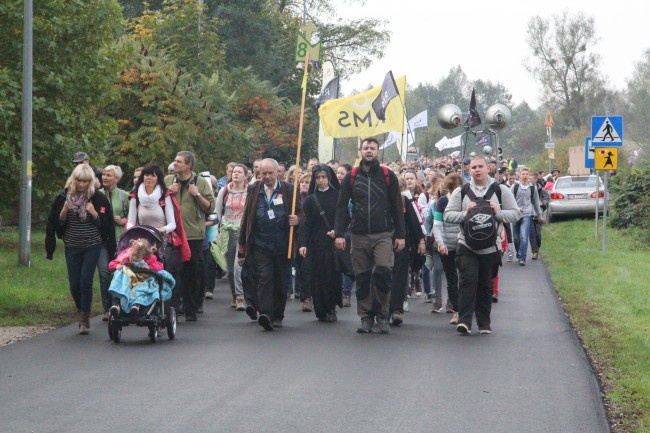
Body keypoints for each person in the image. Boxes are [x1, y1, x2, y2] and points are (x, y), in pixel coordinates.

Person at [335, 137, 405, 334]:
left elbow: (397, 206)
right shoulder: (352, 176)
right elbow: (341, 207)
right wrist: (339, 234)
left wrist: (401, 235)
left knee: (383, 272)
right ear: (361, 151)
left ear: (378, 151)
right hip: (358, 234)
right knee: (363, 276)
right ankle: (366, 316)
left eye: (372, 148)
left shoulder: (387, 175)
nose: (369, 151)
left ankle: (383, 314)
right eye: (366, 148)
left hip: (383, 233)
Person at [444, 156, 519, 335]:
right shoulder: (460, 192)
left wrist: (497, 211)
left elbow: (515, 214)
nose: (477, 170)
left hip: (490, 247)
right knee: (467, 280)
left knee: (485, 285)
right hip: (466, 245)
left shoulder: (500, 190)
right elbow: (448, 215)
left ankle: (484, 323)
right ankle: (465, 321)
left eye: (480, 166)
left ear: (488, 168)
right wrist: (465, 213)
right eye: (473, 167)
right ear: (469, 171)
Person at [45, 164, 116, 335]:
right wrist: (63, 212)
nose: (82, 184)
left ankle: (84, 319)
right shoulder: (63, 197)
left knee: (86, 280)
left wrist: (94, 214)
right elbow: (57, 227)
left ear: (90, 181)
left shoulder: (97, 198)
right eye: (79, 180)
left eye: (85, 181)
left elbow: (106, 228)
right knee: (74, 284)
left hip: (92, 245)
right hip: (72, 246)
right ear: (73, 179)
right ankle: (81, 308)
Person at [238, 158, 302, 331]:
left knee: (281, 281)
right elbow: (247, 217)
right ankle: (265, 313)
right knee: (265, 278)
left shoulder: (290, 190)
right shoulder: (254, 189)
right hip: (260, 244)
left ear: (277, 173)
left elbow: (302, 214)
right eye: (263, 173)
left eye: (270, 173)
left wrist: (298, 220)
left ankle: (278, 315)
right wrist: (242, 244)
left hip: (283, 244)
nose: (266, 176)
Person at [126, 164, 189, 313]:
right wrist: (132, 231)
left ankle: (167, 306)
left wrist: (161, 230)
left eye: (152, 175)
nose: (149, 178)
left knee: (163, 268)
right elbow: (131, 220)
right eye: (147, 175)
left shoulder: (164, 196)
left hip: (162, 238)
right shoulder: (136, 196)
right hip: (142, 238)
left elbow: (172, 223)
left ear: (157, 178)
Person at [165, 151, 215, 321]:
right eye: (175, 160)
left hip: (193, 235)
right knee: (172, 270)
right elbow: (157, 203)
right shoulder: (168, 181)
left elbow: (210, 208)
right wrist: (168, 193)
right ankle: (173, 308)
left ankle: (191, 309)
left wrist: (197, 194)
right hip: (173, 235)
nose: (175, 164)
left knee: (192, 273)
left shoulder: (200, 182)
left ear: (188, 165)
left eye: (179, 161)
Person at [298, 165, 342, 322]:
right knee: (316, 277)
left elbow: (344, 218)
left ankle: (331, 308)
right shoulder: (310, 200)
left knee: (331, 276)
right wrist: (302, 244)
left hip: (332, 243)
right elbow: (305, 223)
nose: (321, 180)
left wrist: (338, 231)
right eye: (318, 178)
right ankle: (320, 309)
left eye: (324, 177)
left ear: (329, 178)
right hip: (316, 243)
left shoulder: (338, 196)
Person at [389, 178, 426, 326]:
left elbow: (415, 222)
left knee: (399, 277)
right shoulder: (378, 201)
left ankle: (396, 310)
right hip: (381, 244)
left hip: (402, 245)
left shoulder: (404, 201)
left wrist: (421, 241)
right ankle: (382, 309)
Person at [97, 165, 130, 320]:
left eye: (108, 175)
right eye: (103, 174)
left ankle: (121, 305)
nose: (104, 177)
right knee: (104, 273)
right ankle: (107, 308)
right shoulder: (97, 195)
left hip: (120, 241)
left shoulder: (124, 196)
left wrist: (122, 220)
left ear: (116, 178)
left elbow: (133, 217)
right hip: (102, 240)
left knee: (119, 273)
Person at [214, 163, 248, 310]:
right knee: (230, 268)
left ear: (246, 175)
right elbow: (217, 212)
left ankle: (241, 297)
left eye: (239, 172)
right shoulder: (225, 190)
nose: (236, 174)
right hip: (228, 232)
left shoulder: (250, 191)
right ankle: (234, 294)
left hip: (243, 231)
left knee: (238, 266)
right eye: (234, 172)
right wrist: (216, 230)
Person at [430, 173, 463, 323]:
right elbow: (437, 225)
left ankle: (466, 309)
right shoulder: (442, 202)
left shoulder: (466, 200)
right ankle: (456, 310)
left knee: (465, 277)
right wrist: (441, 243)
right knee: (451, 278)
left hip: (464, 245)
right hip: (447, 245)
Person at [511, 168, 544, 266]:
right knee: (516, 238)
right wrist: (515, 208)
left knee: (524, 236)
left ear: (529, 176)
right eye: (523, 174)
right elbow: (509, 200)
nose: (525, 176)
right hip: (515, 214)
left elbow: (536, 202)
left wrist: (540, 215)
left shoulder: (532, 188)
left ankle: (522, 257)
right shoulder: (514, 187)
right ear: (520, 176)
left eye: (526, 174)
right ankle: (519, 252)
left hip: (527, 214)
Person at [336, 163, 353, 307]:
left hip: (352, 231)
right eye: (338, 173)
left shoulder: (352, 191)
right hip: (338, 231)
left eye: (342, 173)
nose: (339, 176)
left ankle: (346, 293)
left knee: (348, 262)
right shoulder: (334, 190)